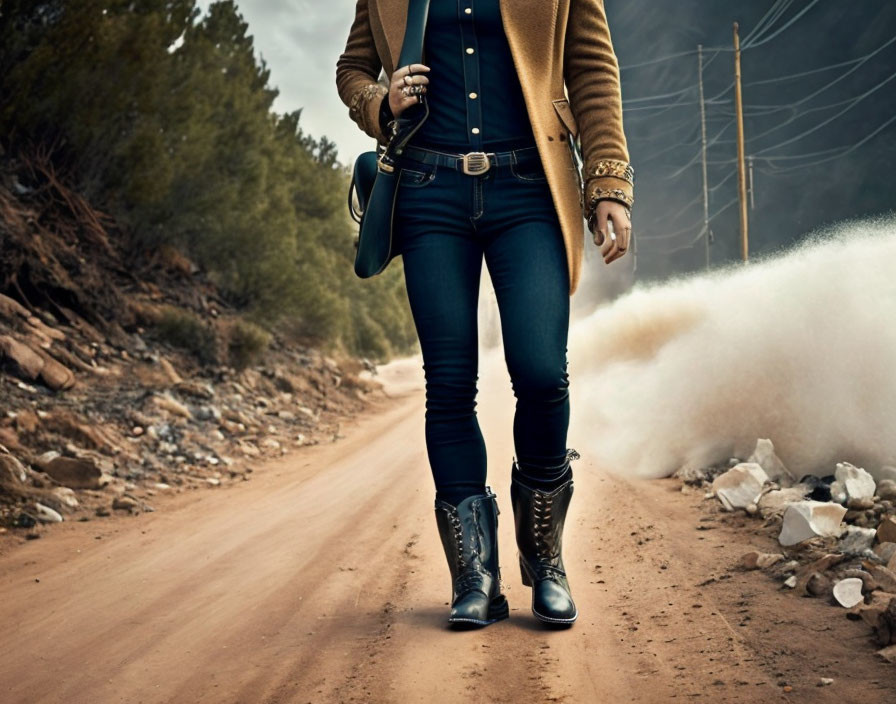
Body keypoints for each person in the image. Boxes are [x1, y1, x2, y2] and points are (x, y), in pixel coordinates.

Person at [336, 0, 633, 629]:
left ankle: (545, 558)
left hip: (529, 189)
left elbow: (592, 70)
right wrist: (380, 102)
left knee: (542, 372)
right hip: (426, 192)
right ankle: (475, 577)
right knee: (448, 385)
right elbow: (352, 69)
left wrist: (607, 185)